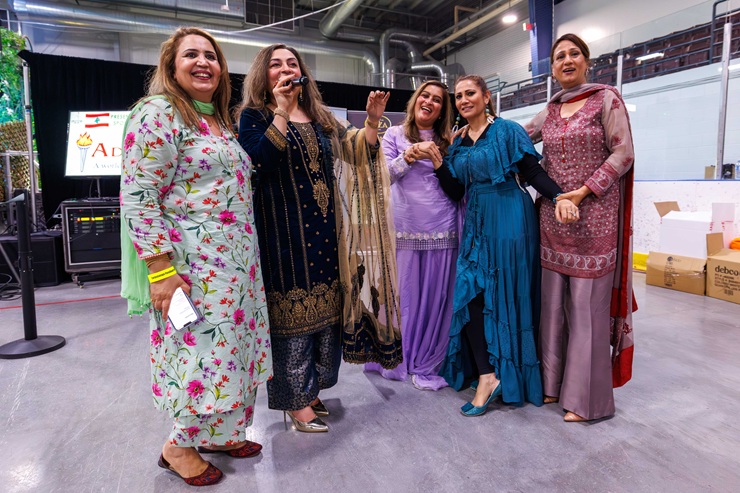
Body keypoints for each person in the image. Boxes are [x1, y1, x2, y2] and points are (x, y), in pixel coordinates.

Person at [120, 27, 272, 486]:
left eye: (212, 55)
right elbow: (139, 196)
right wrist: (160, 271)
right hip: (192, 270)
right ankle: (178, 446)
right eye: (191, 55)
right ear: (171, 66)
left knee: (231, 354)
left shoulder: (217, 120)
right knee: (199, 357)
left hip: (236, 269)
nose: (204, 62)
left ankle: (221, 433)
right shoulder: (159, 113)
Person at [236, 44, 402, 432]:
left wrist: (373, 121)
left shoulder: (321, 116)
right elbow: (260, 159)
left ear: (303, 73)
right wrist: (281, 109)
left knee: (326, 316)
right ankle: (294, 402)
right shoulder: (254, 115)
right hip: (282, 233)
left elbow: (357, 153)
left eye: (291, 63)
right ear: (263, 74)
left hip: (326, 233)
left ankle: (311, 390)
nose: (285, 69)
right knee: (292, 319)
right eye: (275, 64)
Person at [435, 75, 577, 417]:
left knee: (505, 294)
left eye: (470, 93)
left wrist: (559, 196)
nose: (464, 100)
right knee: (469, 293)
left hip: (511, 217)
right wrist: (439, 163)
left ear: (486, 97)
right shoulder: (458, 143)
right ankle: (487, 373)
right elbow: (455, 191)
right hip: (476, 220)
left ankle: (503, 377)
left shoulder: (508, 131)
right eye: (458, 96)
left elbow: (533, 172)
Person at [524, 33, 636, 422]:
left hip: (595, 220)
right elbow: (518, 139)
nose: (567, 60)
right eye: (559, 57)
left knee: (587, 310)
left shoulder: (606, 99)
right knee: (552, 308)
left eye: (574, 54)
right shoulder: (551, 110)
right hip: (553, 221)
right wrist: (475, 132)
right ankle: (552, 385)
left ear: (587, 62)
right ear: (552, 69)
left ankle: (586, 400)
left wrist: (583, 191)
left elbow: (623, 152)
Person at [364, 80, 457, 391]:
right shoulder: (394, 134)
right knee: (402, 296)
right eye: (424, 96)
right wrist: (411, 155)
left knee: (435, 298)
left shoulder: (449, 140)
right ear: (415, 100)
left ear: (442, 110)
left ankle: (426, 355)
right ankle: (398, 354)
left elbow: (455, 183)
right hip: (404, 226)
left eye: (437, 100)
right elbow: (383, 177)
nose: (429, 102)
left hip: (443, 226)